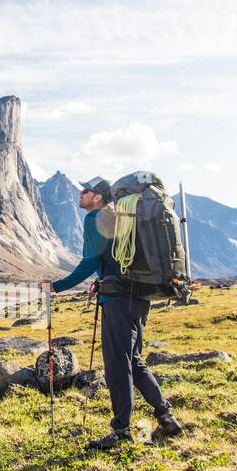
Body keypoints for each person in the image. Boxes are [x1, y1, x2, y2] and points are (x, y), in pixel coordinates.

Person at [43, 177, 181, 450]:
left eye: (86, 190)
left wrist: (56, 287)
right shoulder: (120, 218)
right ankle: (167, 418)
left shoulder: (95, 218)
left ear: (98, 197)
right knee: (133, 361)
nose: (80, 193)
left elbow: (88, 262)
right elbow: (113, 260)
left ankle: (120, 432)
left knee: (118, 366)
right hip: (139, 297)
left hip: (118, 301)